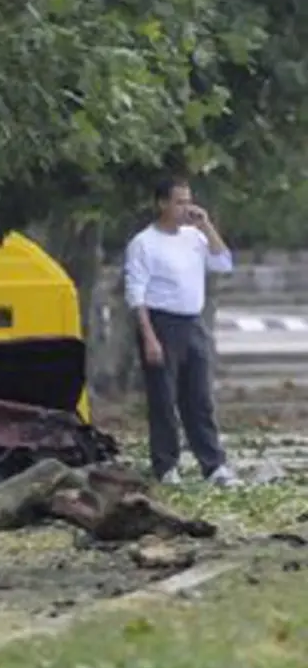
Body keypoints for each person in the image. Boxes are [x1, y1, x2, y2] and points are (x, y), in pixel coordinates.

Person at [124, 177, 239, 487]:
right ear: (162, 203)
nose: (185, 208)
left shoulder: (194, 237)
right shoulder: (144, 243)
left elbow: (224, 264)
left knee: (199, 397)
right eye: (179, 202)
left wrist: (207, 226)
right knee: (163, 398)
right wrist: (149, 336)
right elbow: (136, 294)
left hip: (192, 322)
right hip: (161, 323)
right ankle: (166, 465)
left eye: (188, 201)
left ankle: (213, 465)